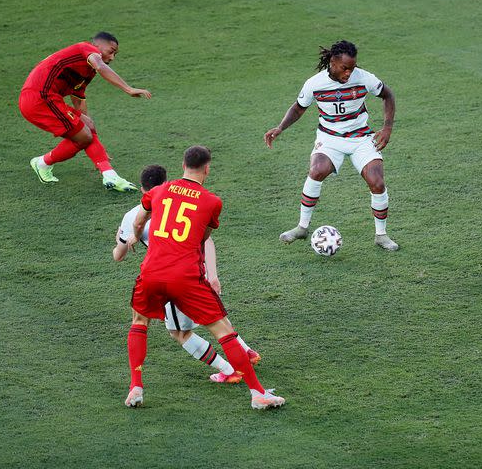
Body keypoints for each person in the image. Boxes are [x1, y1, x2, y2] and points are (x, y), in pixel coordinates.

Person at [124, 146, 285, 410]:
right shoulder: (212, 201)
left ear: (182, 164)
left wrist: (138, 233)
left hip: (151, 272)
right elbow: (205, 236)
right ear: (207, 168)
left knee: (139, 323)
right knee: (224, 331)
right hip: (186, 277)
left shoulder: (158, 191)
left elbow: (141, 221)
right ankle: (257, 393)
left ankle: (135, 388)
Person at [113, 164, 261, 385]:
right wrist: (212, 275)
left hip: (171, 276)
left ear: (144, 190)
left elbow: (119, 255)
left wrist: (121, 240)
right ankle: (246, 351)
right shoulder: (184, 201)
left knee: (179, 332)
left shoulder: (133, 215)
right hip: (197, 270)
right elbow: (207, 239)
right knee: (217, 319)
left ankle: (229, 370)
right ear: (165, 182)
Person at [264, 40, 399, 250]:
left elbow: (387, 95)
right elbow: (299, 108)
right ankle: (301, 227)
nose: (348, 73)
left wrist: (387, 129)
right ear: (333, 62)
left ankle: (381, 235)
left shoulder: (363, 78)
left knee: (377, 182)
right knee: (317, 170)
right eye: (345, 68)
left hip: (360, 137)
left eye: (352, 68)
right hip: (330, 138)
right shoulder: (314, 84)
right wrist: (280, 128)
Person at [20, 32, 152, 191]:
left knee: (87, 129)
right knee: (84, 136)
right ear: (98, 46)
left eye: (115, 54)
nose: (112, 58)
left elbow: (78, 99)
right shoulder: (86, 49)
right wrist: (128, 88)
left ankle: (43, 163)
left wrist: (97, 146)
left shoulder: (87, 71)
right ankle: (108, 174)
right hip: (40, 98)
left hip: (46, 99)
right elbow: (100, 65)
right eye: (111, 51)